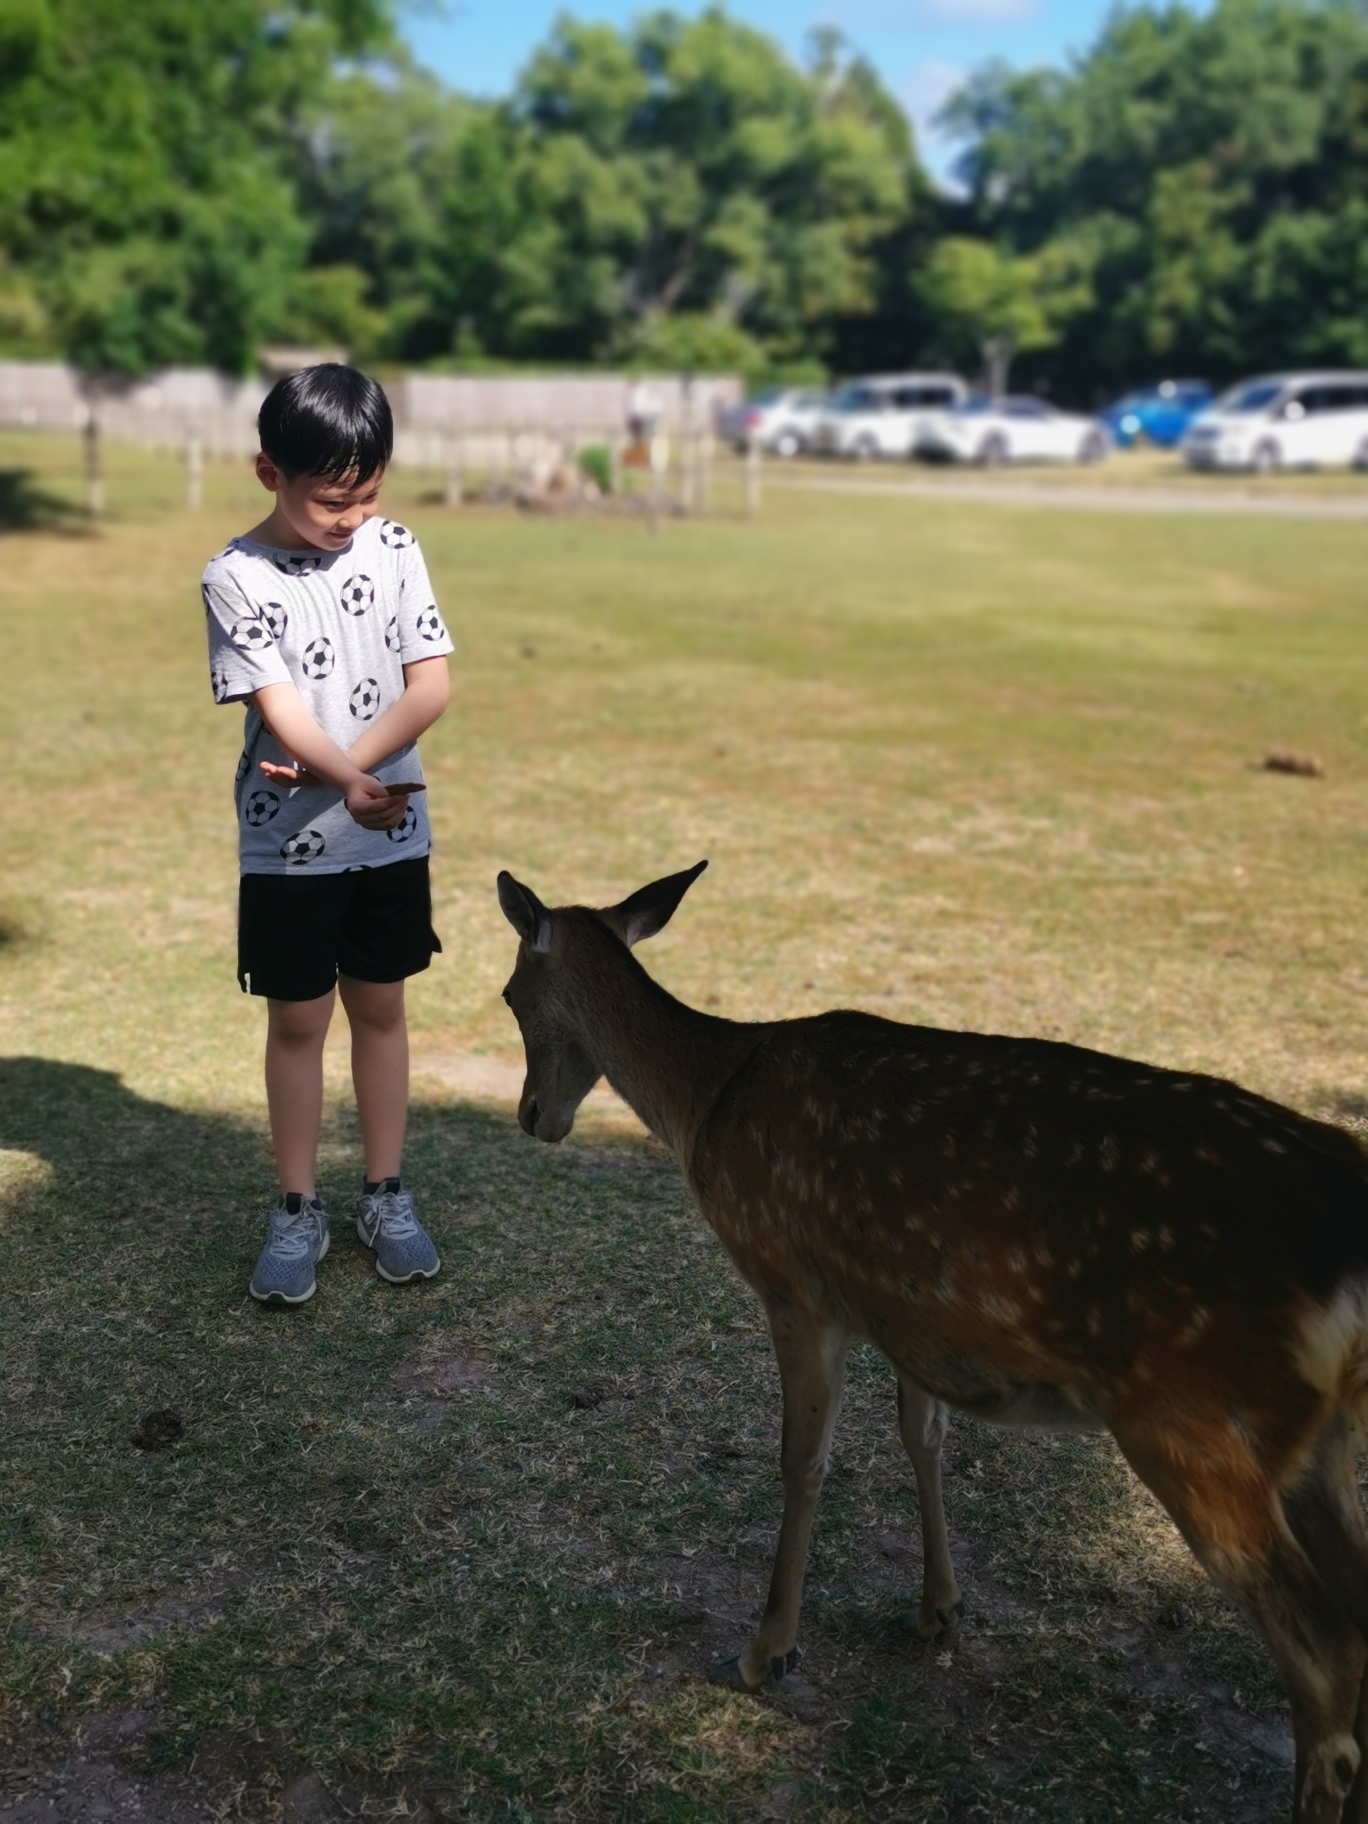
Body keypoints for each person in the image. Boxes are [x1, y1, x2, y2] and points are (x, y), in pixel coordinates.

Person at [202, 364, 452, 1306]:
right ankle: (297, 1206)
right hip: (288, 844)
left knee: (381, 1010)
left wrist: (355, 774)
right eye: (329, 499)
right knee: (299, 1021)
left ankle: (385, 1194)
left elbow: (430, 684)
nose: (350, 517)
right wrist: (345, 777)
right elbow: (277, 705)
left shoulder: (395, 549)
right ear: (269, 472)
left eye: (368, 494)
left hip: (387, 834)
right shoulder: (234, 576)